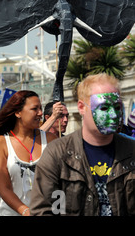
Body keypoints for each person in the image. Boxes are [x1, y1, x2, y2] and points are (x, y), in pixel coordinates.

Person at [30, 73, 135, 216]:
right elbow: (43, 210)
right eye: (103, 108)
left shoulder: (131, 152)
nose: (113, 115)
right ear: (81, 107)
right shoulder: (57, 154)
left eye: (117, 107)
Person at [0, 90, 57, 216]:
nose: (40, 113)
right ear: (18, 112)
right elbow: (3, 187)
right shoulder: (0, 143)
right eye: (35, 109)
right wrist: (25, 211)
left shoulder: (51, 140)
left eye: (40, 108)